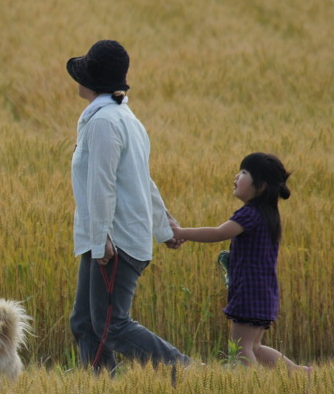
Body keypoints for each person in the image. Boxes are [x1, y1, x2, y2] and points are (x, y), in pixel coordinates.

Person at [67, 39, 190, 372]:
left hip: (114, 242)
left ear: (91, 81)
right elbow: (140, 179)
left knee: (112, 326)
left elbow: (104, 185)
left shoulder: (107, 123)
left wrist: (102, 238)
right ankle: (101, 393)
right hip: (107, 237)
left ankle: (187, 371)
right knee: (84, 323)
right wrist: (163, 227)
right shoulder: (119, 117)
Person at [171, 153, 310, 373]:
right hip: (265, 291)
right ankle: (300, 373)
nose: (237, 176)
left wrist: (181, 232)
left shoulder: (250, 213)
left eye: (244, 172)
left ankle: (253, 388)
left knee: (240, 347)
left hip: (249, 291)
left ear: (261, 186)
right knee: (255, 346)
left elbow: (219, 232)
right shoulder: (268, 215)